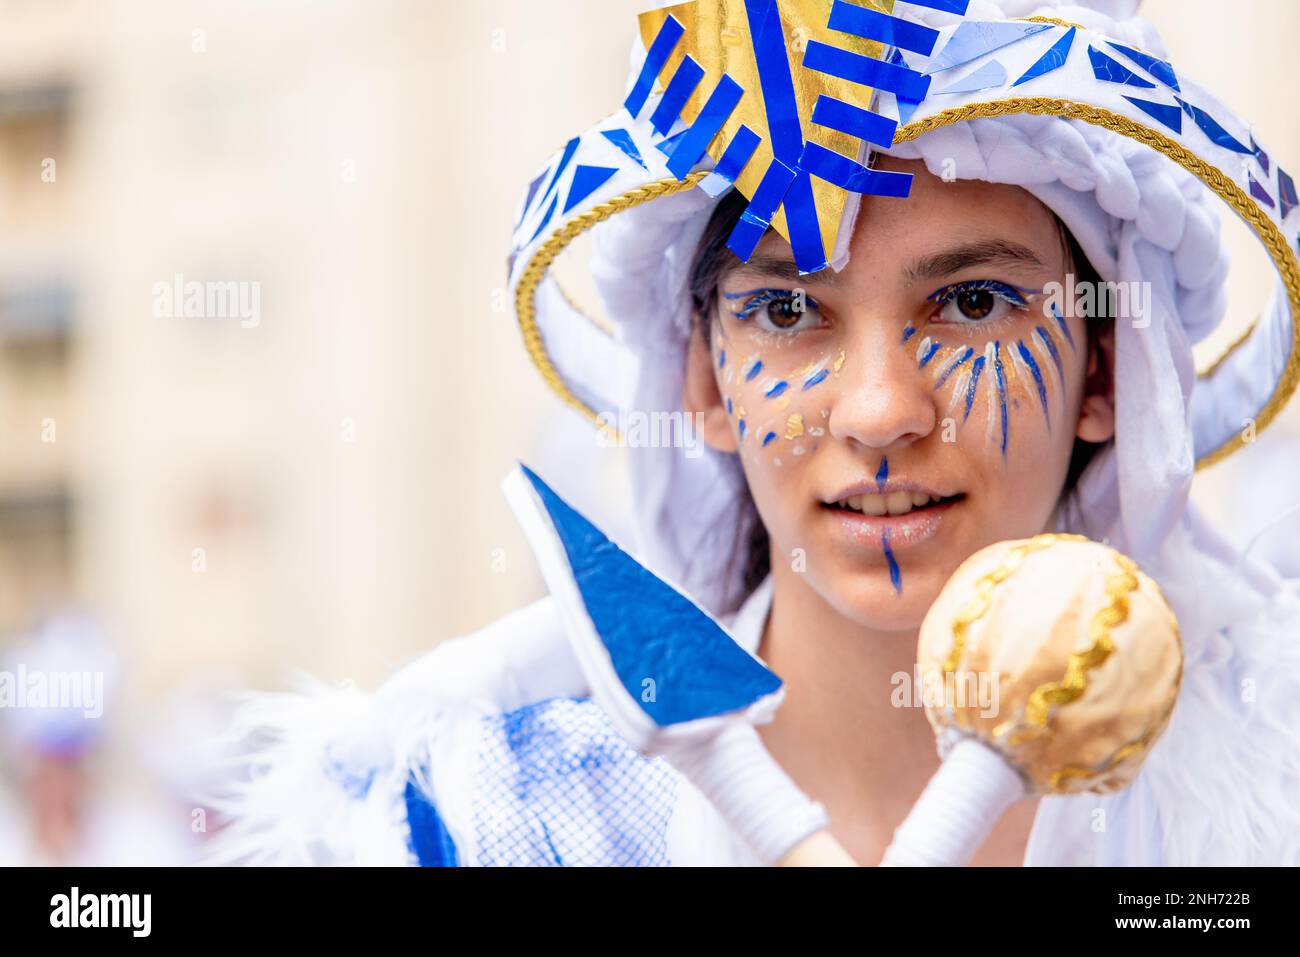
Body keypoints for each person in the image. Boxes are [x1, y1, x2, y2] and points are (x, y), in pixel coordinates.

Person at [212, 0, 1300, 865]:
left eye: (971, 303)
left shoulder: (1273, 799)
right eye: (785, 312)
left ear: (1108, 364)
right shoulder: (489, 822)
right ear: (698, 380)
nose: (877, 410)